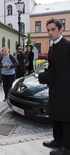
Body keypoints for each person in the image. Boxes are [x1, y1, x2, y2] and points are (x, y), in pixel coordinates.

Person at [38, 18, 70, 155]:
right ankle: (57, 140)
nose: (50, 33)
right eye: (48, 30)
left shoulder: (68, 46)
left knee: (67, 118)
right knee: (56, 114)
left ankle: (67, 148)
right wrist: (45, 76)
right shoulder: (51, 48)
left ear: (60, 30)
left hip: (67, 88)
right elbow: (53, 68)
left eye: (53, 29)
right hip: (54, 87)